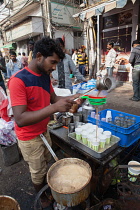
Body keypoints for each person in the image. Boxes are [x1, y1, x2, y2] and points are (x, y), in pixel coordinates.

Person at [8, 36, 81, 209]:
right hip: (29, 137)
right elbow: (20, 118)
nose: (54, 68)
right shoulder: (18, 80)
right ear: (39, 56)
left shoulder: (44, 76)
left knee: (45, 163)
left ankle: (46, 188)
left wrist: (73, 98)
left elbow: (54, 98)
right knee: (37, 171)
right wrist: (55, 107)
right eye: (52, 62)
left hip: (43, 130)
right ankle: (42, 198)